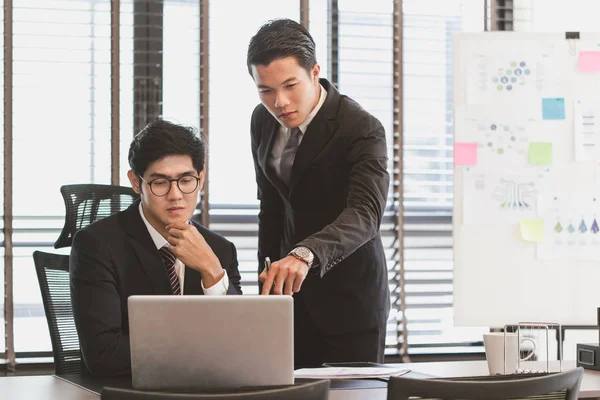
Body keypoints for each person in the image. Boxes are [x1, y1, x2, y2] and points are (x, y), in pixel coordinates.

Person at [247, 18, 390, 368]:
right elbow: (271, 205)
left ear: (315, 72)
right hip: (289, 299)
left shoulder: (360, 127)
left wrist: (306, 253)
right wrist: (264, 288)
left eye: (289, 85)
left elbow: (365, 213)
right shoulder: (262, 121)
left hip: (351, 301)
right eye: (265, 90)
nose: (279, 102)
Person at [70, 120, 242, 377]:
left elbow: (242, 345)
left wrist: (212, 271)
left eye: (186, 179)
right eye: (160, 182)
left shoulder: (220, 249)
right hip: (130, 391)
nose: (176, 195)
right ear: (136, 183)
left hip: (206, 390)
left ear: (201, 177)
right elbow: (103, 355)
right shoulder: (97, 245)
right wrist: (201, 348)